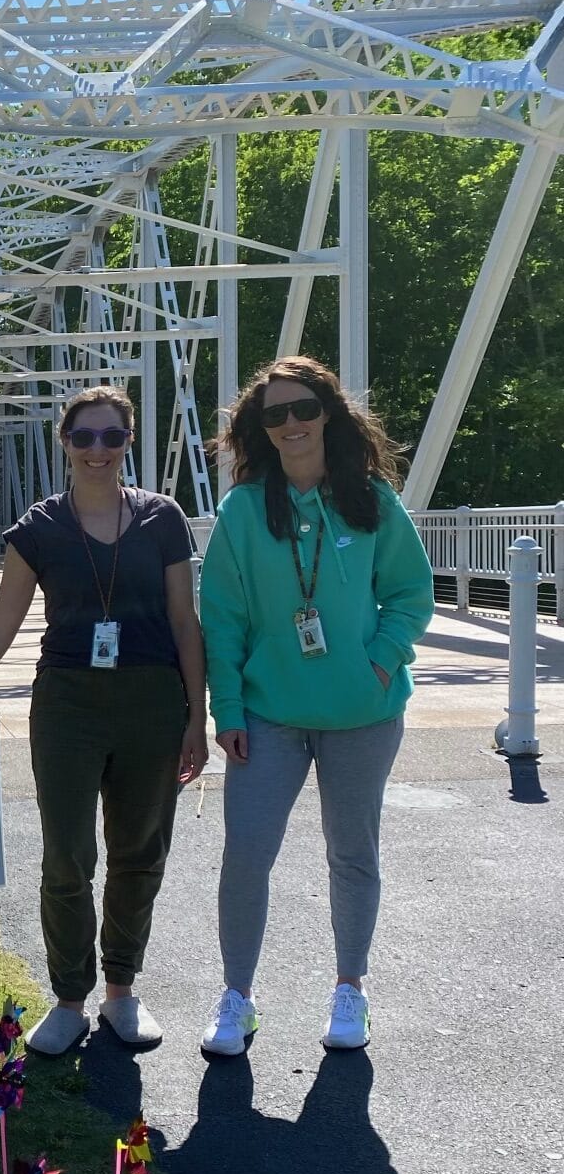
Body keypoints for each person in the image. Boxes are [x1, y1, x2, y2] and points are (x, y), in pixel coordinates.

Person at [0, 385, 208, 1054]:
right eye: (85, 437)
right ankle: (69, 998)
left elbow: (186, 624)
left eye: (113, 437)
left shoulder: (163, 519)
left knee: (139, 852)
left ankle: (121, 992)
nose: (99, 450)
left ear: (128, 444)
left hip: (152, 702)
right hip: (67, 703)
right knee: (67, 856)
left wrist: (195, 717)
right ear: (64, 443)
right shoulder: (39, 528)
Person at [198, 355, 434, 1058]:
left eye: (304, 409)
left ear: (328, 414)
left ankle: (350, 991)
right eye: (276, 415)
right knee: (246, 854)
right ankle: (237, 998)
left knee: (353, 853)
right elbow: (224, 621)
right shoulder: (243, 511)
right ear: (260, 429)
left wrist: (379, 660)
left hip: (364, 714)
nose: (292, 424)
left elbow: (410, 596)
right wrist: (228, 712)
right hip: (270, 715)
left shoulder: (370, 501)